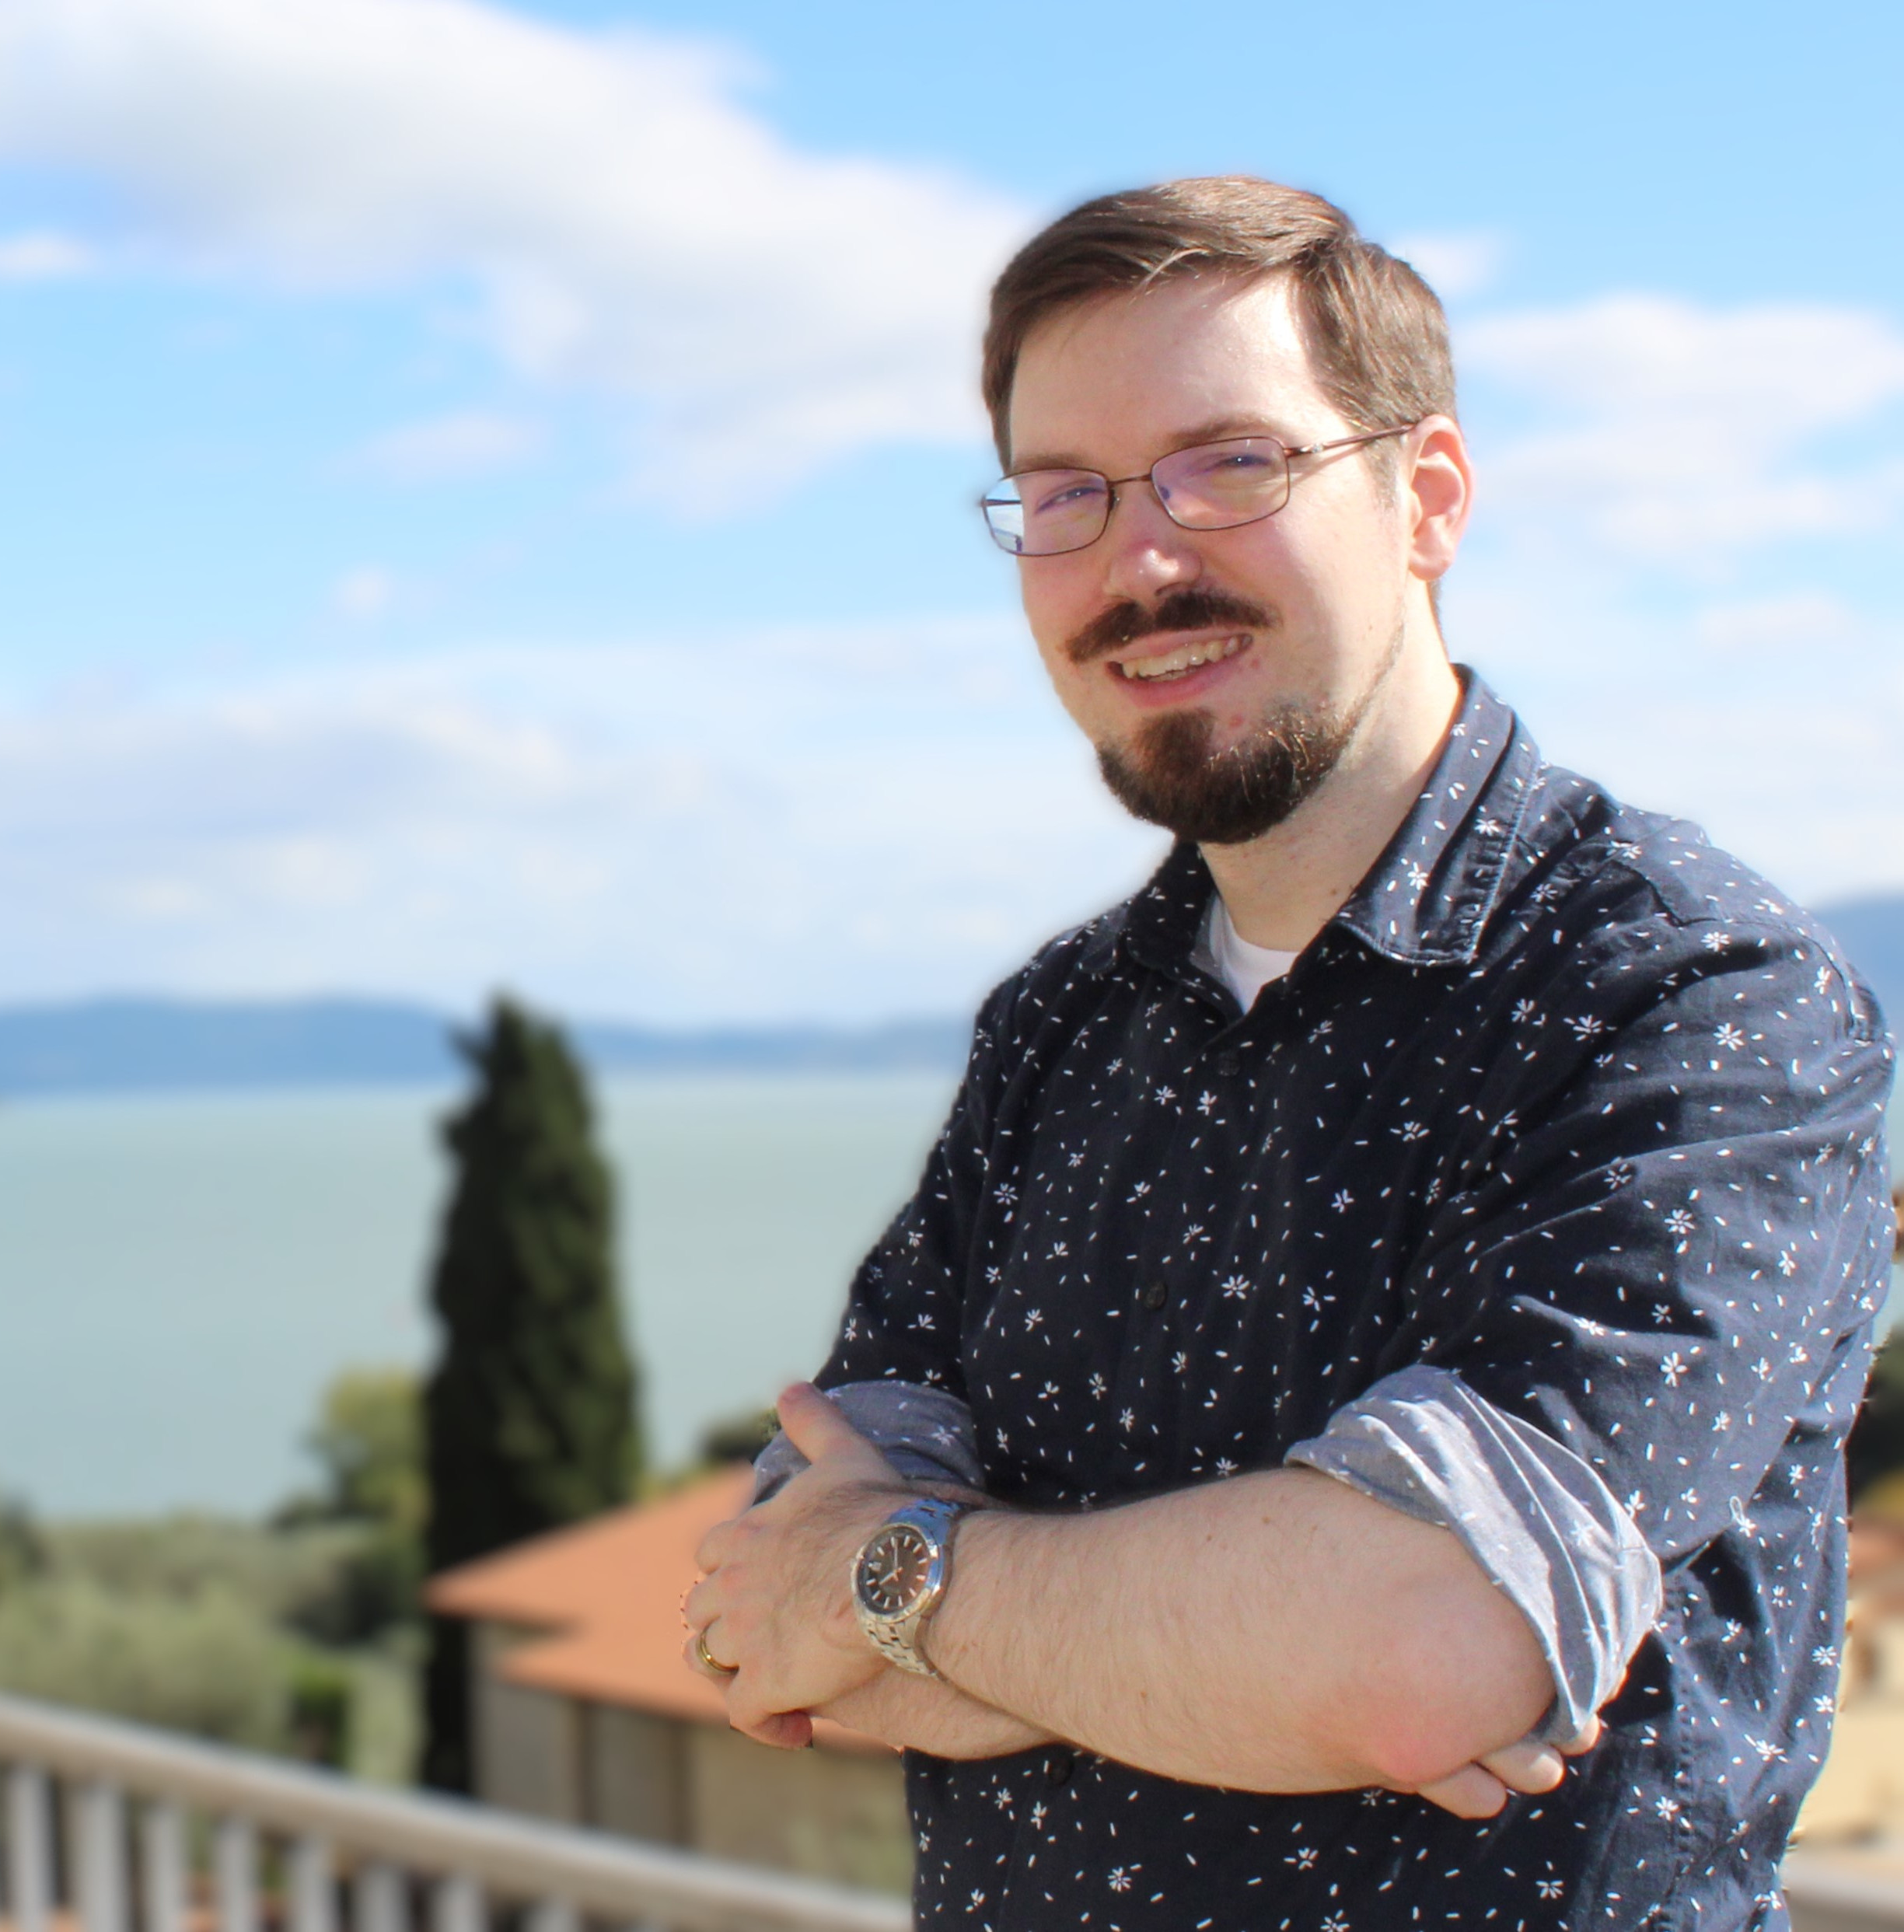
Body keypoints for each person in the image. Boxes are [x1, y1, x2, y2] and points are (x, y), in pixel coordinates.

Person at [682, 177, 1895, 1931]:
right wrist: (1255, 1639)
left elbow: (1422, 1654)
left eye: (1228, 465)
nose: (1139, 560)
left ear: (1428, 498)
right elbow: (761, 1620)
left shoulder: (1690, 988)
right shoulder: (1057, 1026)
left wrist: (898, 1582)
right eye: (1063, 495)